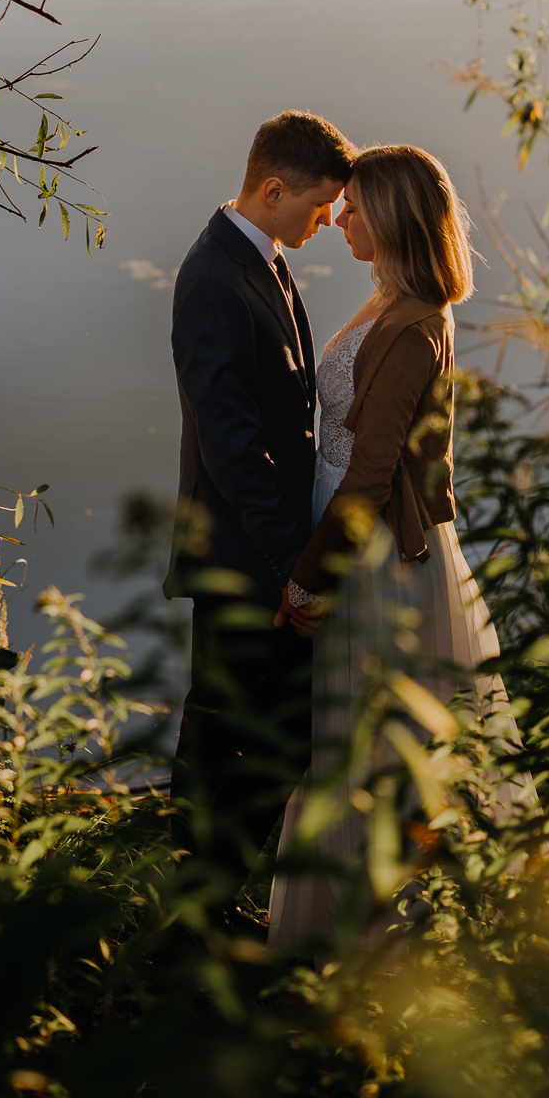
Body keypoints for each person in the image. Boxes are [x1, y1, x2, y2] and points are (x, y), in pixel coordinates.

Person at [267, 144, 530, 952]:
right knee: (351, 738)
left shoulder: (416, 326)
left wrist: (311, 579)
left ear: (388, 216)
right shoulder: (391, 298)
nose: (339, 215)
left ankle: (381, 942)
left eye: (354, 207)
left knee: (369, 743)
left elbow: (375, 470)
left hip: (371, 559)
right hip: (350, 536)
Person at [165, 110, 356, 895]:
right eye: (319, 207)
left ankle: (198, 895)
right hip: (244, 555)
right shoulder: (214, 279)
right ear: (273, 188)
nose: (329, 221)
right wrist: (294, 566)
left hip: (263, 547)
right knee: (254, 732)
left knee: (229, 729)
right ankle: (200, 904)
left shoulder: (264, 254)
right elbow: (231, 444)